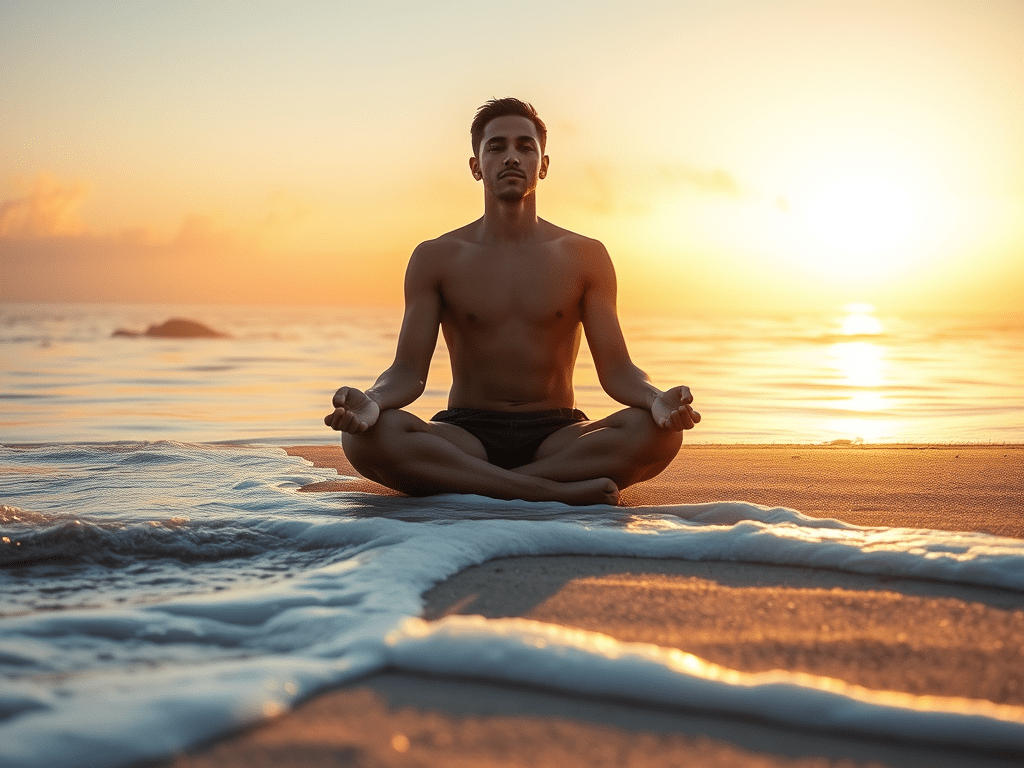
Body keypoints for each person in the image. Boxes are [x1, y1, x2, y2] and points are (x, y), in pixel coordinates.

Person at [325, 98, 700, 506]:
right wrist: (374, 402)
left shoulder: (585, 256)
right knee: (364, 438)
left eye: (524, 147)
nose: (510, 157)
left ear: (543, 165)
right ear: (475, 166)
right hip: (466, 434)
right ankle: (543, 491)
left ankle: (481, 486)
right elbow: (408, 372)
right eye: (496, 147)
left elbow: (618, 370)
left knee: (657, 433)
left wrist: (654, 399)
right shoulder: (435, 257)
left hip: (558, 437)